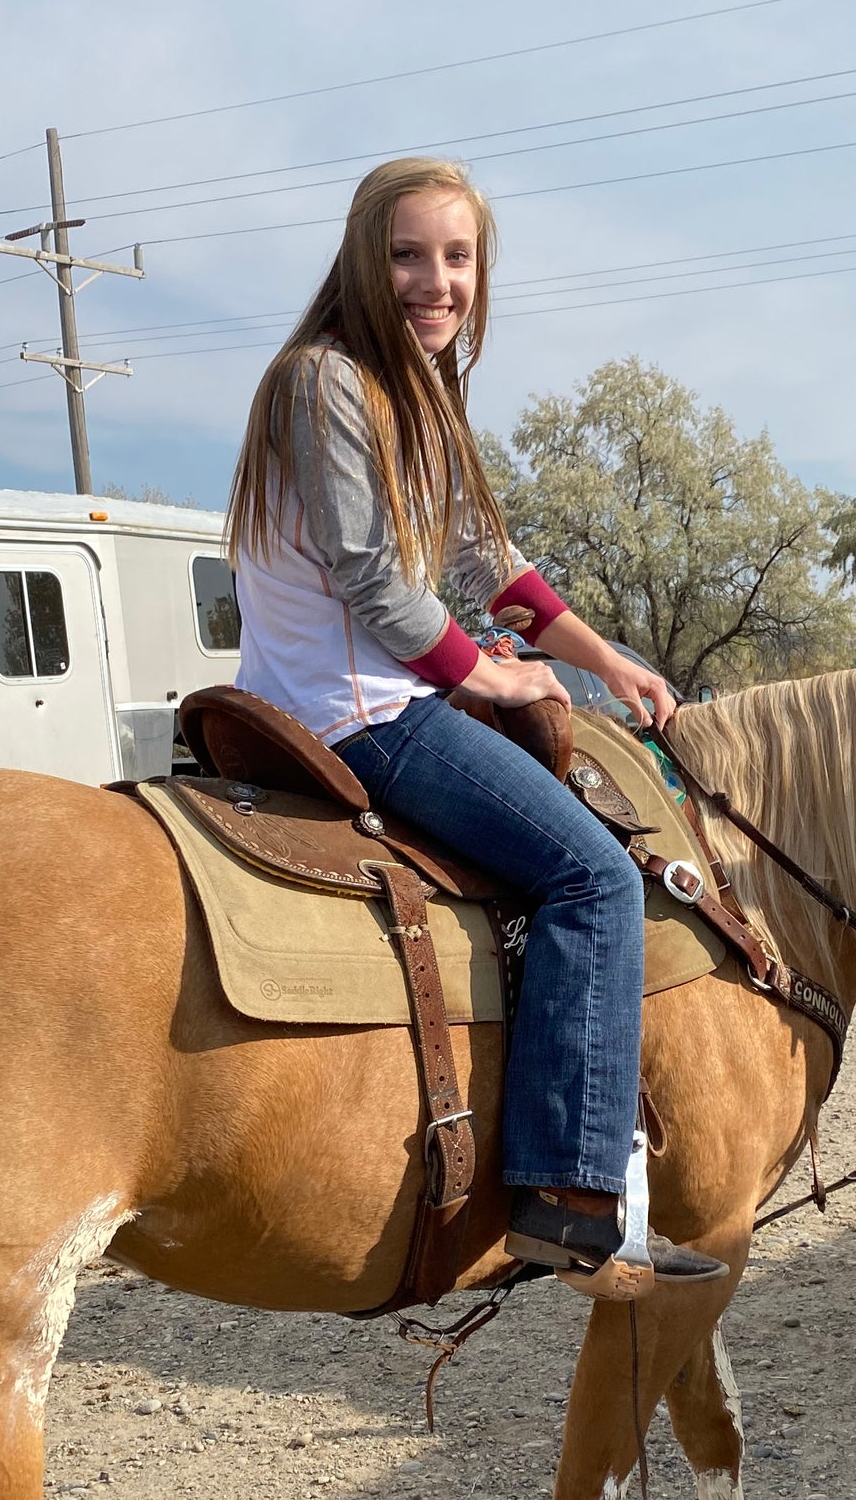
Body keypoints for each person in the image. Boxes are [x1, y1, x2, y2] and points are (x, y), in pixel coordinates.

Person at [226, 155, 726, 1292]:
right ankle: (565, 1192)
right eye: (407, 253)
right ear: (364, 258)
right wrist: (484, 679)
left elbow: (478, 564)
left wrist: (605, 662)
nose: (433, 280)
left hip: (355, 693)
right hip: (357, 711)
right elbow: (369, 576)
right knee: (592, 877)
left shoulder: (418, 396)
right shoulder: (328, 381)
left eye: (456, 258)